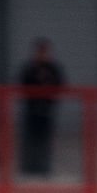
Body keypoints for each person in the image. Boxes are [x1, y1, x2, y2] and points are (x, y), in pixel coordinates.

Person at [17, 39, 64, 176]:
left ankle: (44, 168)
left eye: (45, 52)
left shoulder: (53, 69)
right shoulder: (30, 68)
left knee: (45, 139)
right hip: (32, 109)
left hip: (47, 109)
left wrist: (47, 84)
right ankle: (29, 168)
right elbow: (23, 84)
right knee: (30, 139)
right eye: (40, 51)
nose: (42, 54)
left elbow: (59, 85)